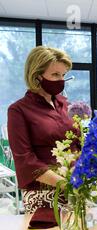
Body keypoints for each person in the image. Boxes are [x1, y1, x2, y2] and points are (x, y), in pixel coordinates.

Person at [8, 46, 77, 216]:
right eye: (55, 75)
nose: (60, 80)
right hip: (43, 192)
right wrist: (64, 184)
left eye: (63, 75)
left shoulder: (66, 105)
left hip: (76, 187)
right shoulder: (18, 110)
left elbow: (78, 143)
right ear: (36, 76)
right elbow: (25, 160)